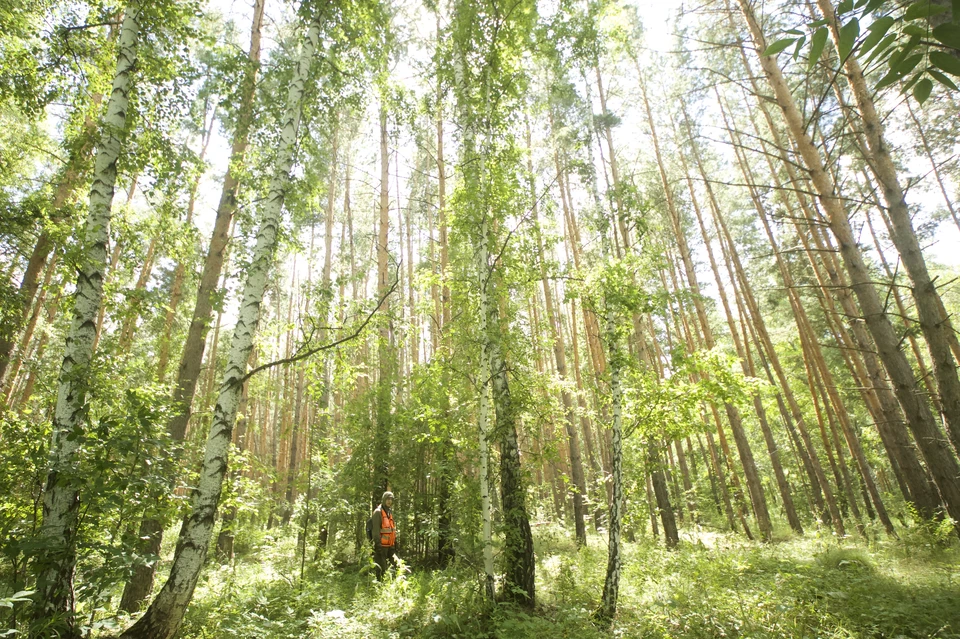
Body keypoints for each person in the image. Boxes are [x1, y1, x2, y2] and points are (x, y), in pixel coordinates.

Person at [372, 491, 396, 580]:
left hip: (390, 545)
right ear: (384, 499)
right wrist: (378, 545)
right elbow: (376, 530)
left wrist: (393, 543)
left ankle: (390, 586)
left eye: (391, 499)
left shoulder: (389, 512)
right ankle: (379, 588)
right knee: (381, 569)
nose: (389, 501)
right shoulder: (378, 512)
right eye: (388, 499)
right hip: (381, 546)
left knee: (393, 567)